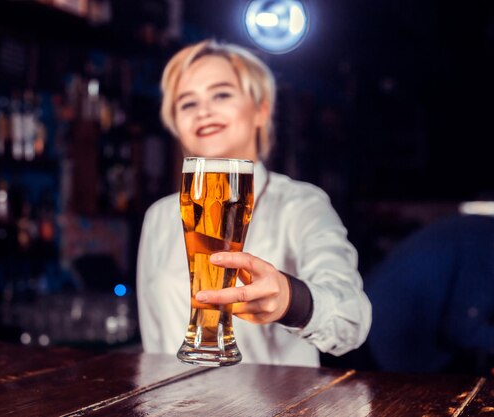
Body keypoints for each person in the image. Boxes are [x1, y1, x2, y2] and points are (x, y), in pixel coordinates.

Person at [136, 39, 371, 367]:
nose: (204, 110)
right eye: (187, 103)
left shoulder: (300, 203)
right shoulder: (160, 215)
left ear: (260, 109)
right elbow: (154, 341)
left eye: (222, 94)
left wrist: (290, 300)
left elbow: (353, 320)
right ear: (176, 124)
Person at [363, 214, 494, 374]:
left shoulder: (492, 232)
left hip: (377, 316)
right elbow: (461, 331)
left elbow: (467, 297)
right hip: (386, 336)